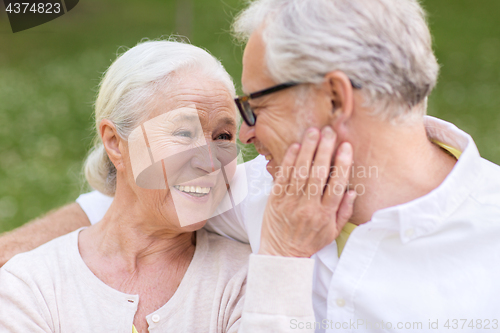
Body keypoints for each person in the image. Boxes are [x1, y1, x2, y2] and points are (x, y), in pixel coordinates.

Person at [2, 0, 500, 332]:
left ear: (333, 97)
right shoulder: (258, 189)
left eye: (255, 106)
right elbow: (126, 203)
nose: (244, 136)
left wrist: (282, 252)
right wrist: (14, 252)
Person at [0, 39, 352, 332]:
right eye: (184, 133)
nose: (211, 163)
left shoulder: (243, 278)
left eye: (224, 136)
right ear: (114, 143)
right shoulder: (30, 285)